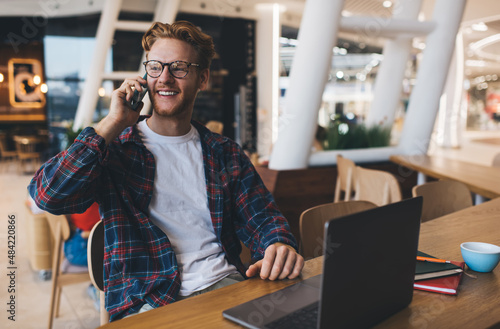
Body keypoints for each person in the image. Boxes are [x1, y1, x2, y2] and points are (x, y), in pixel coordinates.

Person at [29, 20, 303, 321]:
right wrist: (112, 123)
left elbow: (263, 217)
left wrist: (277, 242)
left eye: (180, 68)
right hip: (149, 300)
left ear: (203, 78)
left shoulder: (225, 153)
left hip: (225, 287)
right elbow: (47, 194)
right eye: (156, 67)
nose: (165, 78)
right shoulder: (116, 149)